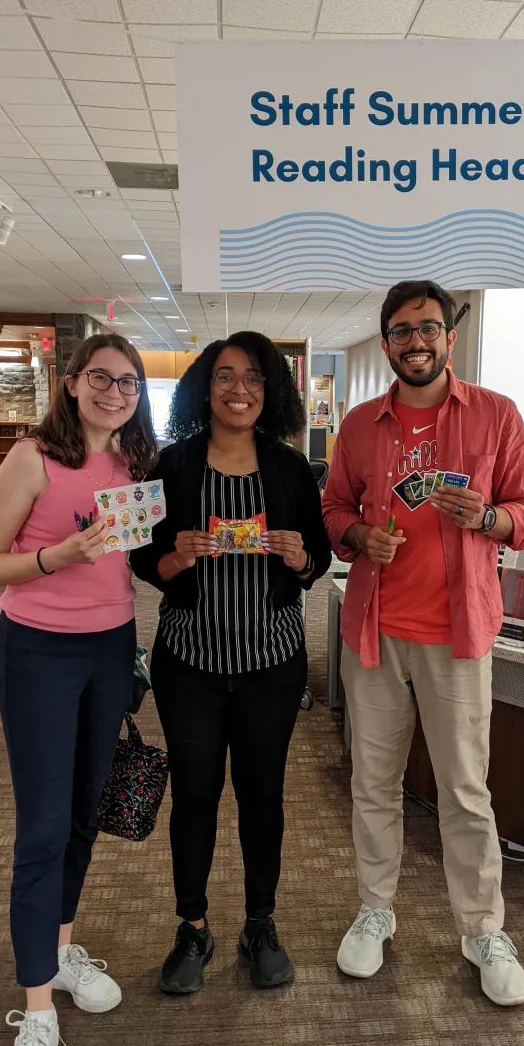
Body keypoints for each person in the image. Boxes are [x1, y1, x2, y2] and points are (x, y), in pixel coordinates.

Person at [322, 280, 524, 1007]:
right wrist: (357, 535)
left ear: (449, 335)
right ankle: (374, 910)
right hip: (375, 632)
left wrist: (489, 517)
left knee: (465, 792)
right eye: (400, 331)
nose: (415, 342)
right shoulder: (359, 426)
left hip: (459, 634)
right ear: (386, 341)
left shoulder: (495, 416)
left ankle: (482, 929)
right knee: (373, 784)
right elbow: (334, 506)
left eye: (427, 328)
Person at [0, 333, 157, 1046]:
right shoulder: (33, 461)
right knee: (43, 827)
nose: (117, 392)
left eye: (131, 382)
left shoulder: (133, 465)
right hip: (39, 653)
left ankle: (61, 948)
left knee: (85, 815)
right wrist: (58, 557)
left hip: (110, 649)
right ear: (72, 383)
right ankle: (37, 1012)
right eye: (103, 379)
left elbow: (130, 559)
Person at [130, 331, 331, 994]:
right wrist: (175, 558)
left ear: (270, 390)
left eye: (253, 377)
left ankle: (260, 922)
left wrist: (299, 557)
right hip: (190, 663)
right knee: (194, 796)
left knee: (263, 797)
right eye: (224, 376)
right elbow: (140, 560)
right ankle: (192, 927)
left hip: (272, 664)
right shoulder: (173, 465)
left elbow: (319, 559)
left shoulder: (290, 467)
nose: (238, 389)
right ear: (203, 387)